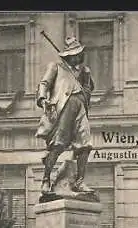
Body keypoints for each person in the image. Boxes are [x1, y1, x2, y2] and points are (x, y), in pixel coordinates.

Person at [35, 36, 95, 195]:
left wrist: (87, 77)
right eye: (73, 54)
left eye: (78, 53)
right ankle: (46, 179)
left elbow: (89, 90)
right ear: (67, 56)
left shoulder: (83, 72)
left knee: (85, 145)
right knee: (58, 144)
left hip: (80, 108)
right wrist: (43, 99)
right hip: (64, 107)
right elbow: (44, 84)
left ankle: (79, 182)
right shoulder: (57, 67)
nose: (76, 57)